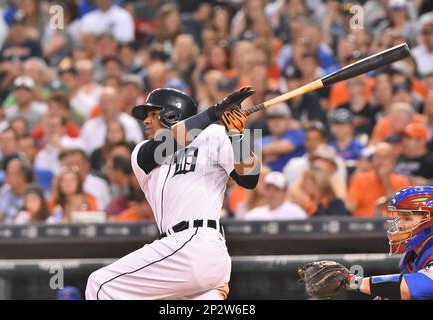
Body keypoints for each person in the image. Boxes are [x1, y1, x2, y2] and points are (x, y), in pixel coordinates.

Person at [86, 86, 260, 300]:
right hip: (178, 251)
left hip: (197, 243)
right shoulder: (141, 152)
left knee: (100, 285)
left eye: (152, 114)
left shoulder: (214, 135)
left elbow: (250, 179)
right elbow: (167, 144)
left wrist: (238, 136)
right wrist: (212, 113)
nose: (146, 121)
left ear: (172, 115)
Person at [302, 186, 433, 300]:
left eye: (407, 218)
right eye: (399, 218)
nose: (400, 225)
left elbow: (418, 287)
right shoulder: (413, 256)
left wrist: (352, 281)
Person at [347, 142, 410, 217]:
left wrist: (385, 179)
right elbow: (350, 208)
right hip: (363, 224)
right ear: (373, 160)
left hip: (390, 225)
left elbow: (401, 211)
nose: (381, 161)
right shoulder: (360, 177)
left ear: (393, 161)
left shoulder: (402, 181)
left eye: (385, 157)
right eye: (378, 157)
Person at [261, 103, 305, 171]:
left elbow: (284, 147)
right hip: (269, 176)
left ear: (289, 120)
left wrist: (265, 153)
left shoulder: (296, 133)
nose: (275, 122)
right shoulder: (265, 139)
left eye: (280, 117)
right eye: (272, 118)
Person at [0, 158, 33, 223]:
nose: (6, 177)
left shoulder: (33, 193)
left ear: (21, 176)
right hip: (0, 230)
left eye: (9, 173)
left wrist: (3, 216)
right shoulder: (4, 190)